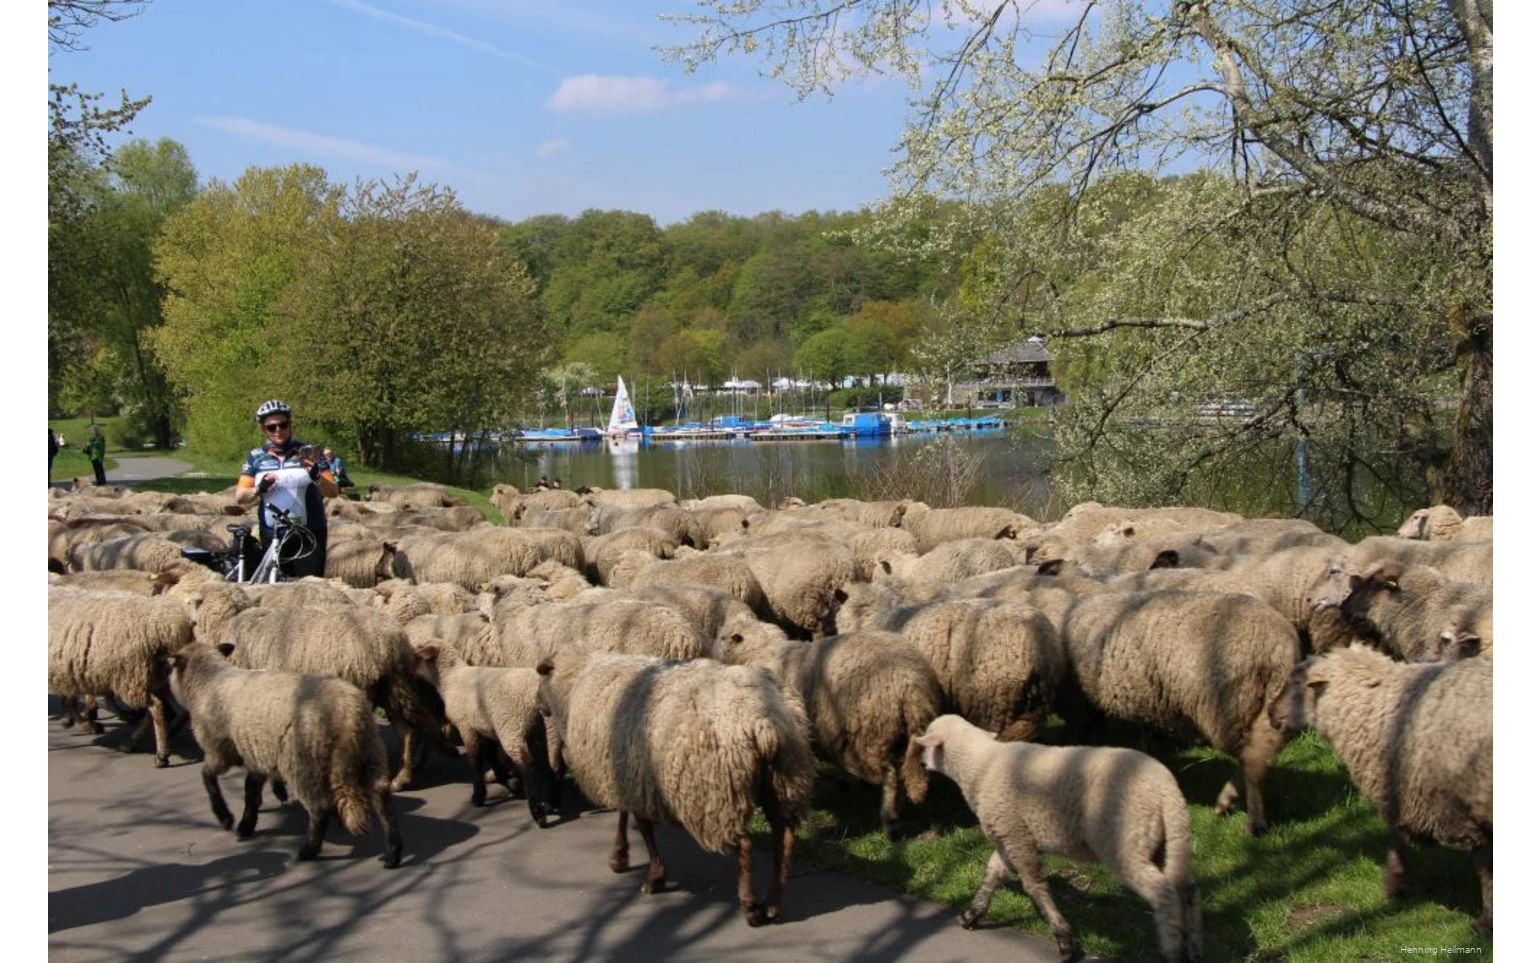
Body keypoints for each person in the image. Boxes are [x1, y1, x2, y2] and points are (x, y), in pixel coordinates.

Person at [235, 400, 339, 579]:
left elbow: (333, 491)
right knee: (275, 591)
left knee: (309, 590)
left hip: (309, 533)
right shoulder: (256, 457)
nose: (278, 431)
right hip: (272, 534)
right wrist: (258, 489)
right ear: (263, 429)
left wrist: (316, 477)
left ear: (290, 425)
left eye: (283, 425)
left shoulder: (310, 453)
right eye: (271, 427)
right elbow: (241, 497)